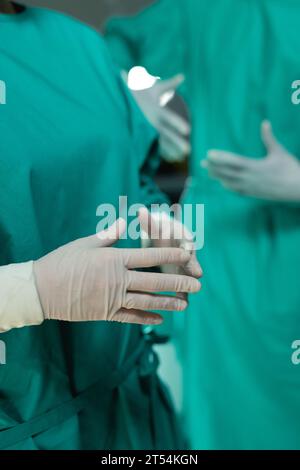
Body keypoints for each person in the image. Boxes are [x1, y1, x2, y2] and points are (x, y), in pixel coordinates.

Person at [0, 1, 202, 450]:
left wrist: (159, 246)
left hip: (129, 413)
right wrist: (27, 291)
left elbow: (131, 178)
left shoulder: (79, 44)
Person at [105, 0, 300, 449]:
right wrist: (130, 92)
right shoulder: (206, 10)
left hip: (274, 245)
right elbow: (118, 49)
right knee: (228, 418)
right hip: (226, 255)